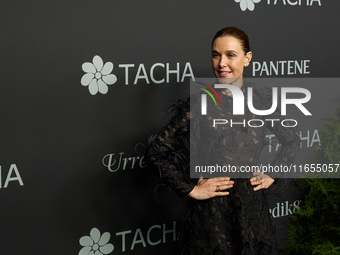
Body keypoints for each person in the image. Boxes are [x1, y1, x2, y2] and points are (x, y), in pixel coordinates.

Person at [146, 27, 300, 255]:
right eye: (216, 55)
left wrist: (273, 173)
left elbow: (292, 141)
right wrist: (191, 190)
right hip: (211, 214)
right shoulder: (199, 104)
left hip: (252, 211)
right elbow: (156, 150)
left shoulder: (262, 102)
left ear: (247, 58)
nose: (221, 63)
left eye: (230, 55)